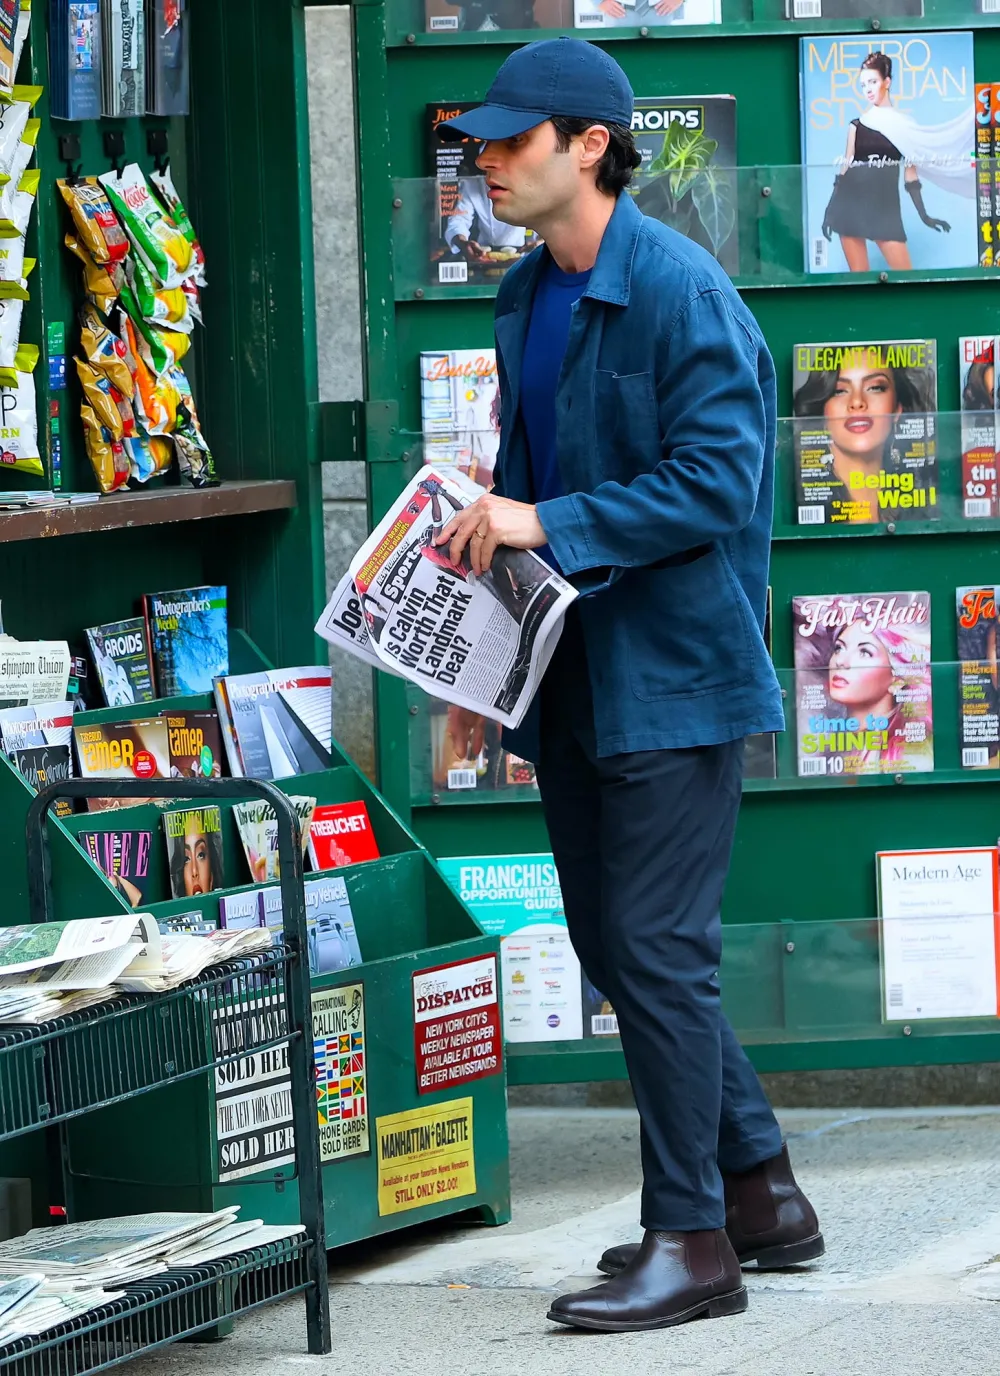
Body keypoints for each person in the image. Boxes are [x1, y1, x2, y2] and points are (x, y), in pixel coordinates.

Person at [434, 37, 823, 1334]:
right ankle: (763, 1191)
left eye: (508, 138)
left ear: (589, 143)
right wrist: (473, 636)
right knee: (619, 946)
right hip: (571, 675)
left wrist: (547, 519)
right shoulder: (525, 297)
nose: (483, 158)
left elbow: (721, 482)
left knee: (655, 950)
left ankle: (693, 1240)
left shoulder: (681, 290)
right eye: (480, 141)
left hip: (677, 676)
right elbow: (521, 491)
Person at [821, 51, 970, 272]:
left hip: (885, 211)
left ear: (886, 82)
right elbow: (845, 170)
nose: (868, 89)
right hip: (849, 208)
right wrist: (829, 212)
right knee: (859, 284)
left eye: (873, 81)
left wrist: (925, 216)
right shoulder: (857, 125)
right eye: (863, 85)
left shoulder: (904, 126)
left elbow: (911, 177)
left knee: (906, 281)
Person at [793, 348, 934, 523]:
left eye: (875, 388)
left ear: (898, 409)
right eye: (839, 391)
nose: (857, 402)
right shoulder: (795, 498)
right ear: (822, 412)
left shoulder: (924, 505)